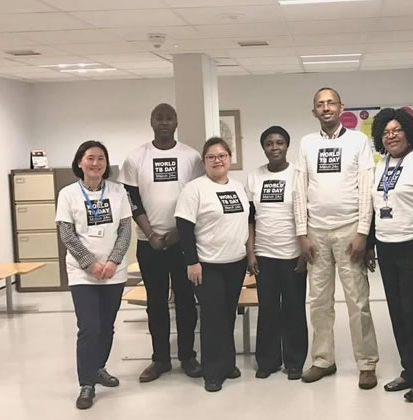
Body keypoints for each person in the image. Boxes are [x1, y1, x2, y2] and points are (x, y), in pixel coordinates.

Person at [294, 87, 379, 389]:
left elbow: (367, 187)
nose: (326, 108)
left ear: (341, 107)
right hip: (316, 232)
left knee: (358, 300)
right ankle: (322, 360)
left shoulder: (358, 141)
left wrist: (363, 232)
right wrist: (302, 233)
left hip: (349, 230)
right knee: (318, 300)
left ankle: (367, 363)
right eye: (320, 104)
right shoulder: (306, 143)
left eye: (331, 103)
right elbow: (300, 189)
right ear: (314, 111)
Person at [119, 103, 205, 383]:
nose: (164, 122)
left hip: (182, 241)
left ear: (176, 122)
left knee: (185, 301)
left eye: (169, 118)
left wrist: (178, 233)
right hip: (149, 243)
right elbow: (132, 200)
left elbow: (196, 198)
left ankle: (188, 356)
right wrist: (151, 234)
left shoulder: (191, 157)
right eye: (159, 118)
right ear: (151, 121)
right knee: (155, 302)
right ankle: (160, 360)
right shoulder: (135, 158)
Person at [365, 108, 413, 402]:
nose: (391, 135)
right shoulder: (381, 165)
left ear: (409, 132)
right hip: (388, 247)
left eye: (397, 130)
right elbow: (375, 208)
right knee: (398, 315)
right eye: (386, 131)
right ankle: (410, 370)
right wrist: (372, 244)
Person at [56, 141, 132, 409]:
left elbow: (125, 230)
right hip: (82, 273)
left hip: (114, 271)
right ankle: (86, 383)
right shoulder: (68, 194)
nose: (96, 163)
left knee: (107, 325)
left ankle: (98, 367)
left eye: (101, 159)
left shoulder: (118, 191)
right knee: (89, 327)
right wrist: (89, 263)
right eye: (90, 158)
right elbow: (67, 234)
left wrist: (112, 261)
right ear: (80, 162)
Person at [175, 137, 249, 392]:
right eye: (211, 157)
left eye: (222, 155)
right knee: (212, 318)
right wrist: (192, 262)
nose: (217, 160)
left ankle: (228, 363)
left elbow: (245, 223)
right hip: (207, 265)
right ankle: (212, 372)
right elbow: (184, 229)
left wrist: (248, 255)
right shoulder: (195, 189)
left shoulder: (239, 187)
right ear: (204, 162)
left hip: (235, 263)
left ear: (229, 158)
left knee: (228, 315)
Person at [246, 126, 308, 380]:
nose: (274, 148)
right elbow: (249, 219)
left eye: (280, 143)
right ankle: (268, 361)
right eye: (269, 143)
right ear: (263, 147)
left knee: (294, 309)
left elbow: (308, 214)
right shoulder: (254, 177)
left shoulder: (298, 175)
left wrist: (305, 251)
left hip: (293, 255)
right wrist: (250, 253)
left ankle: (294, 361)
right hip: (264, 255)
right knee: (268, 309)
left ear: (287, 146)